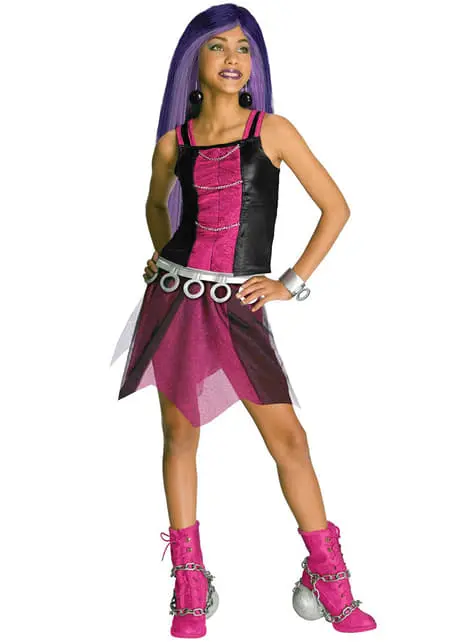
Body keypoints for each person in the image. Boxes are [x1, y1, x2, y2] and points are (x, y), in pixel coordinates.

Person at [110, 3, 377, 638]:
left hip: (240, 306)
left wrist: (290, 283)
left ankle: (329, 576)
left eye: (244, 47)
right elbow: (155, 204)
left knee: (290, 441)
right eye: (218, 46)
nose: (233, 58)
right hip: (175, 301)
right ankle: (189, 584)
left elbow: (336, 208)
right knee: (180, 437)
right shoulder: (174, 143)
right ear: (193, 61)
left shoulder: (273, 131)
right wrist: (163, 255)